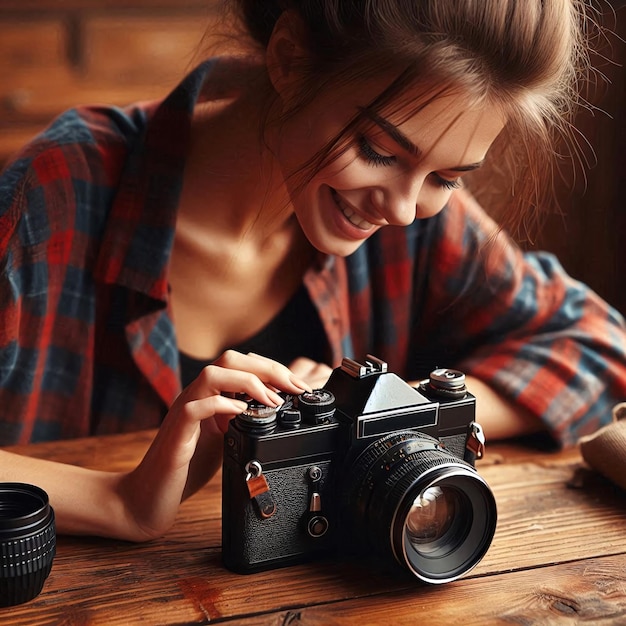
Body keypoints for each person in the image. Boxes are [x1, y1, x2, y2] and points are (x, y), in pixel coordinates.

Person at [1, 0, 625, 541]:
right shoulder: (60, 189)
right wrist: (119, 501)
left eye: (445, 178)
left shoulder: (409, 212)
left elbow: (598, 344)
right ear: (290, 60)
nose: (405, 211)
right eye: (378, 150)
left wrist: (381, 415)